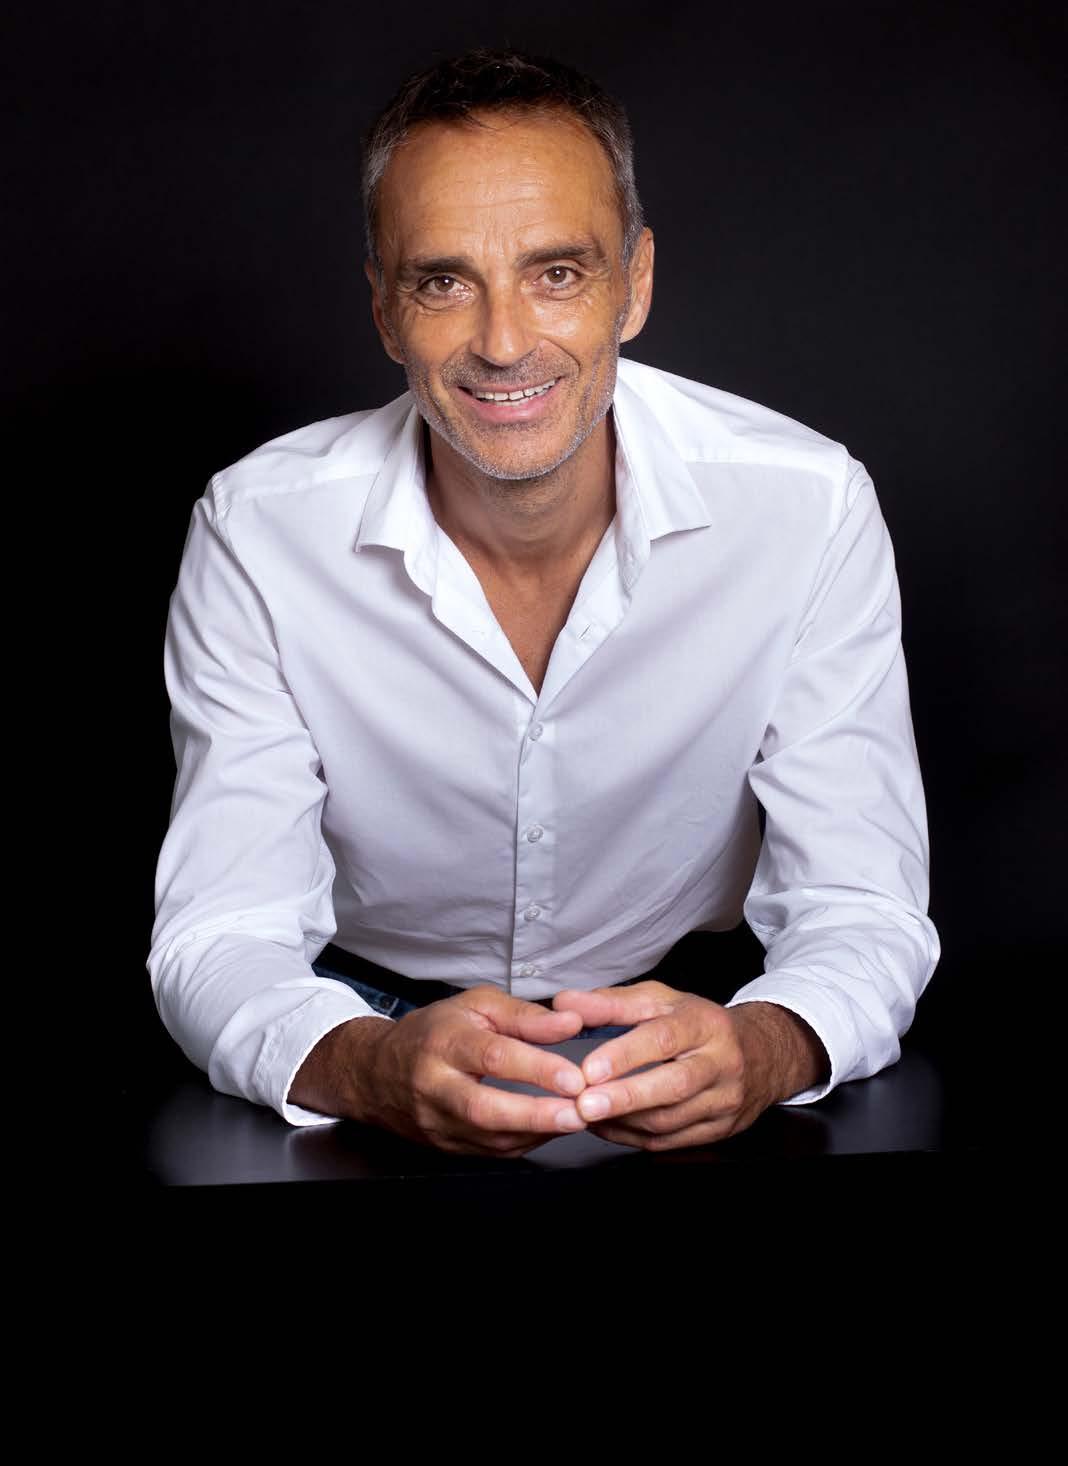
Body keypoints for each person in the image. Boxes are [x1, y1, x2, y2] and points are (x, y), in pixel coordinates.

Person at [147, 48, 940, 1158]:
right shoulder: (257, 531)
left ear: (636, 282)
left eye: (557, 272)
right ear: (384, 310)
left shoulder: (807, 509)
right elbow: (221, 929)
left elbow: (861, 905)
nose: (504, 342)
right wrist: (369, 1065)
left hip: (699, 1026)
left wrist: (765, 1047)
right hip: (363, 1038)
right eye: (443, 282)